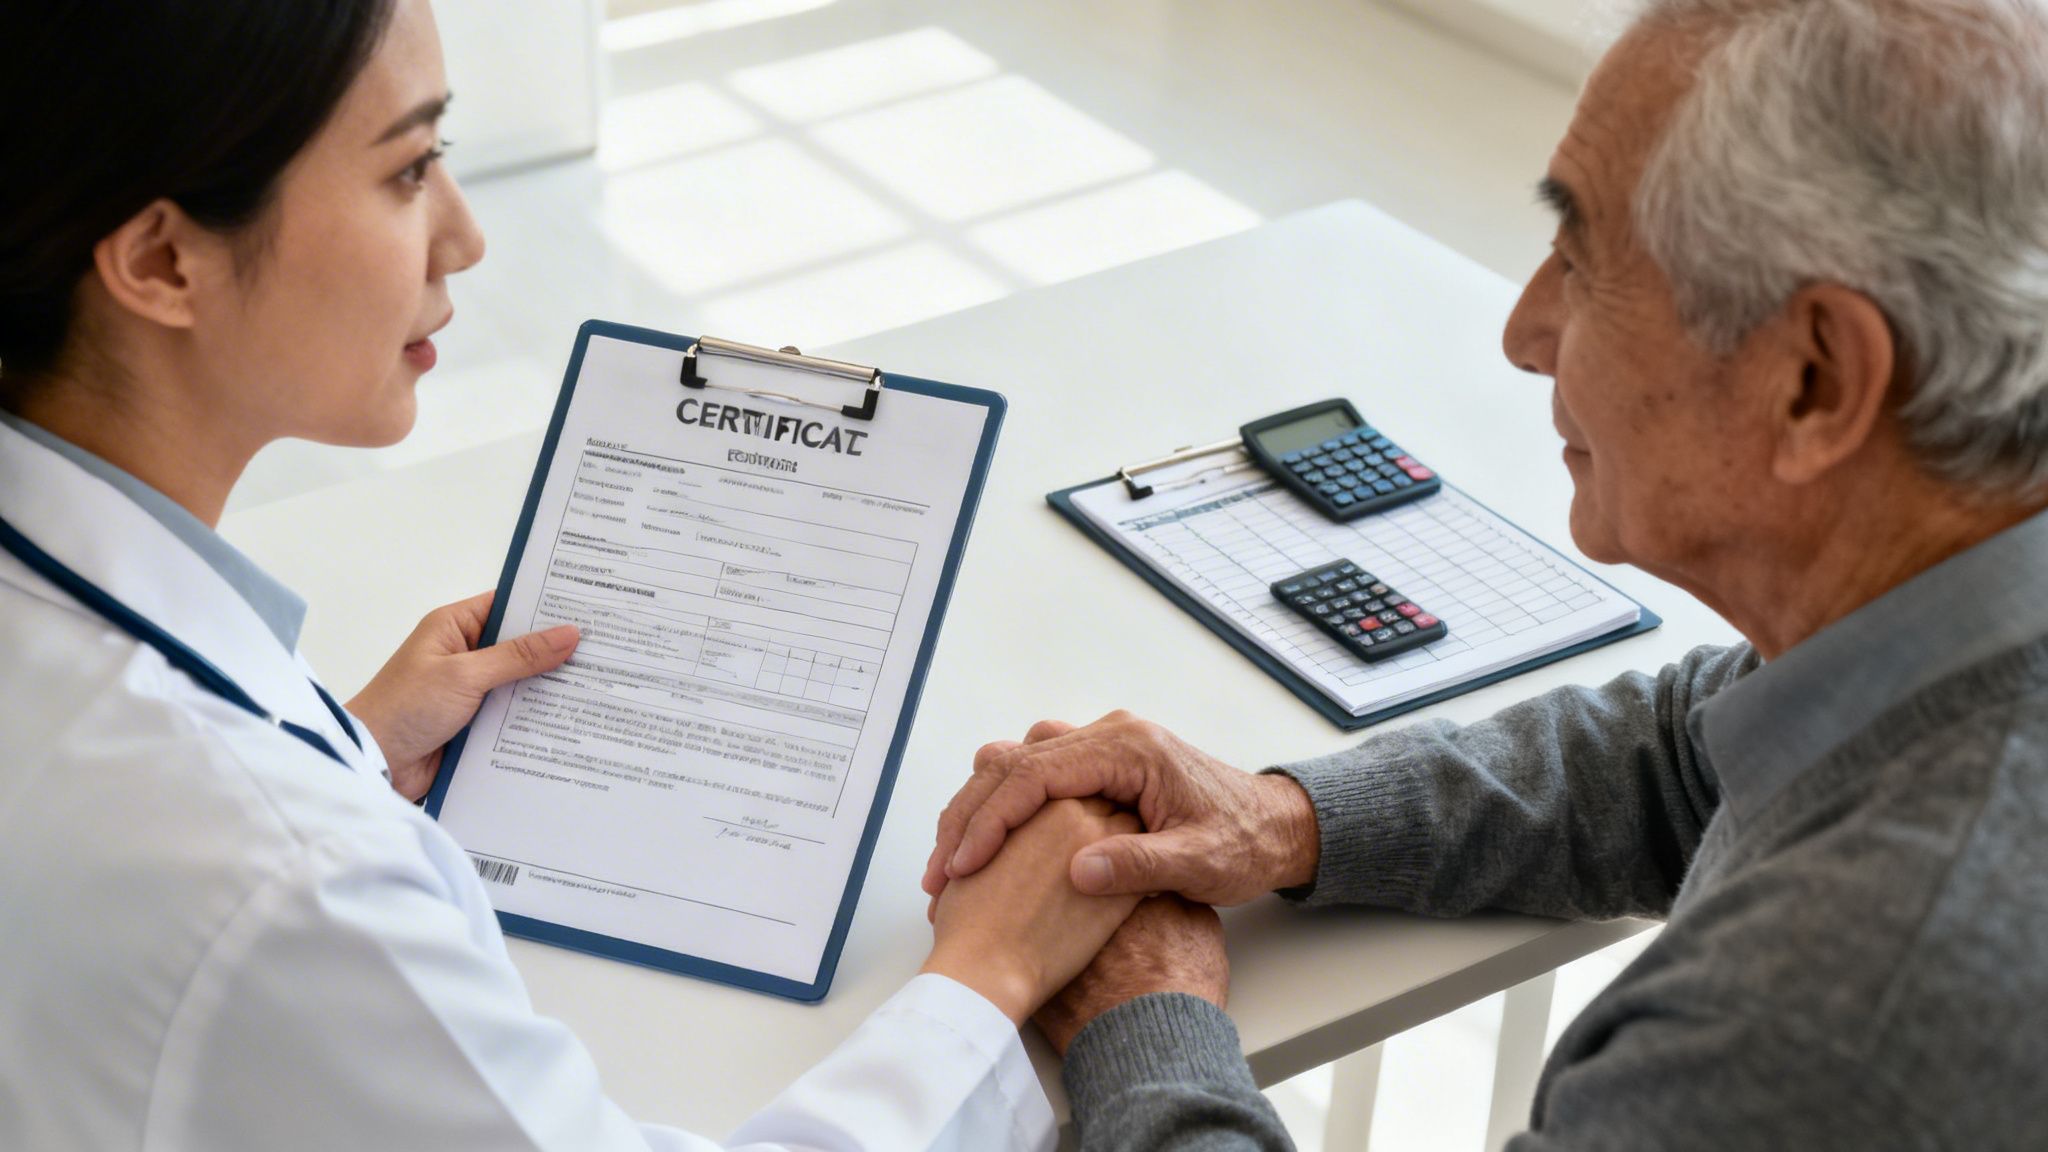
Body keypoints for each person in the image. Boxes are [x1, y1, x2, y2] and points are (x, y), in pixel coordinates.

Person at [0, 3, 1140, 1148]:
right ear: (161, 261)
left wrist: (345, 745)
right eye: (408, 169)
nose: (465, 235)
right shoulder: (296, 888)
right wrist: (988, 973)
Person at [929, 0, 2048, 1147]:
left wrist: (1143, 1016)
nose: (1521, 330)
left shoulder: (1827, 1021)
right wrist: (1283, 817)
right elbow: (1690, 758)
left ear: (1811, 380)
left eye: (1582, 259)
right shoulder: (1951, 612)